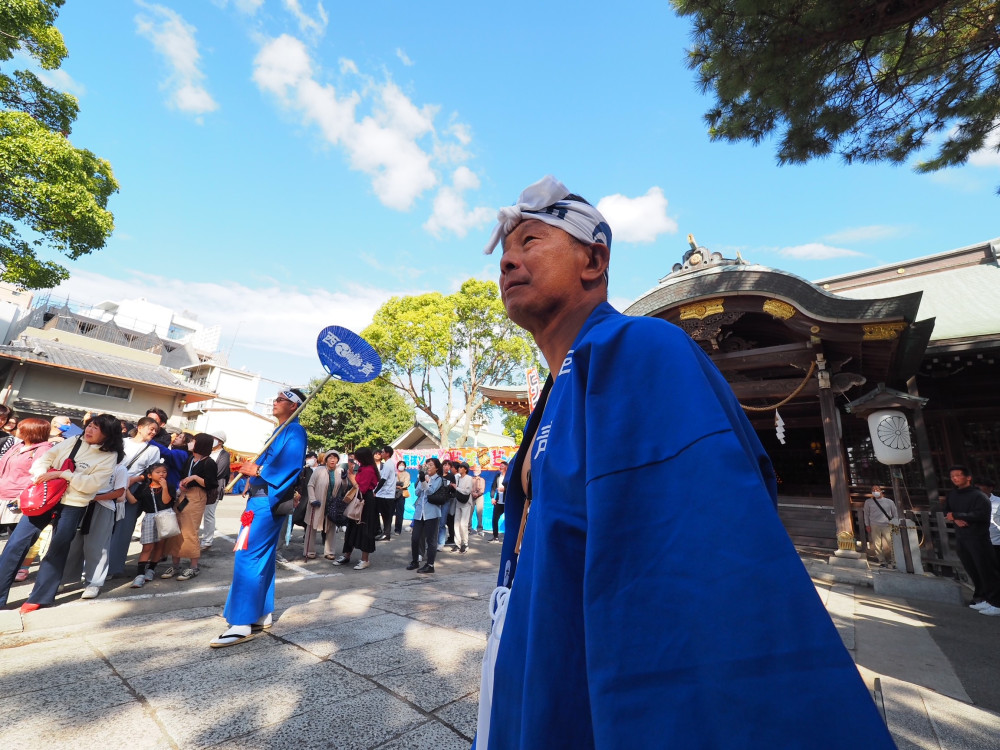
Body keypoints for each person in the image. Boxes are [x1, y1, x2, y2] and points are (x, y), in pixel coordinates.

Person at [473, 176, 896, 748]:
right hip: (539, 647)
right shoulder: (553, 393)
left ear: (594, 260)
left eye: (529, 241)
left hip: (596, 674)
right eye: (505, 252)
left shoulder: (642, 351)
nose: (509, 262)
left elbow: (691, 576)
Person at [210, 389, 307, 647]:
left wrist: (259, 470)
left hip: (266, 501)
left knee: (248, 554)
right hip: (261, 497)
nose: (275, 402)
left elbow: (289, 466)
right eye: (275, 398)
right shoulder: (281, 430)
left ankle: (241, 621)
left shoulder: (294, 431)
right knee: (260, 556)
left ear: (294, 405)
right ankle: (261, 612)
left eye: (281, 399)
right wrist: (251, 478)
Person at [0, 413, 123, 612]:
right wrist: (41, 473)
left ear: (108, 434)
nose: (90, 430)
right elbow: (46, 458)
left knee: (57, 549)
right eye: (90, 425)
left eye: (96, 428)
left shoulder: (110, 456)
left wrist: (61, 474)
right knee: (16, 543)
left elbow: (91, 485)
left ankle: (41, 596)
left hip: (74, 505)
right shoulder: (74, 441)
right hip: (46, 498)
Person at [107, 417, 163, 577]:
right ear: (140, 427)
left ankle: (113, 568)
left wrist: (134, 479)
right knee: (103, 526)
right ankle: (93, 566)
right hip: (111, 484)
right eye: (150, 429)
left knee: (124, 529)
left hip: (134, 488)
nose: (153, 432)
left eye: (155, 431)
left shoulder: (153, 450)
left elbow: (152, 472)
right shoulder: (122, 442)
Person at [161, 432, 217, 581]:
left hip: (197, 496)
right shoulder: (191, 458)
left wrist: (195, 478)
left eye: (194, 441)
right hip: (183, 495)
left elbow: (211, 483)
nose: (191, 443)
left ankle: (193, 566)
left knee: (190, 529)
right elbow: (182, 475)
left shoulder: (209, 462)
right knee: (176, 527)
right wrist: (182, 483)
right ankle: (175, 564)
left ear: (201, 444)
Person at [0, 419, 54, 573]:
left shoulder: (44, 450)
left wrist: (22, 493)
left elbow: (38, 475)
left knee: (15, 540)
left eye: (20, 428)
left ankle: (11, 570)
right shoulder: (18, 445)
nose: (17, 430)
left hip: (19, 498)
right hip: (3, 494)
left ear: (32, 431)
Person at [945, 466, 1000, 615]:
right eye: (952, 476)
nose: (955, 478)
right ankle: (985, 599)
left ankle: (997, 602)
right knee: (973, 570)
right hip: (962, 538)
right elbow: (947, 511)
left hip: (978, 538)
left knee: (987, 570)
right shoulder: (953, 495)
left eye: (958, 475)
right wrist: (955, 519)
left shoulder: (979, 496)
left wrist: (958, 515)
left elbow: (981, 515)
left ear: (968, 477)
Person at [333, 447, 379, 570]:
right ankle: (347, 555)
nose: (355, 459)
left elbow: (361, 488)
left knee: (365, 529)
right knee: (352, 528)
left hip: (365, 501)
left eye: (357, 457)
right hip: (359, 499)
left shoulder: (368, 470)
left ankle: (365, 559)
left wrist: (352, 477)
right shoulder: (364, 468)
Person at [128, 460, 172, 587]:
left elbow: (166, 501)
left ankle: (151, 569)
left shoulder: (169, 486)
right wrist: (125, 489)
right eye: (158, 472)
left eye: (164, 472)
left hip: (164, 517)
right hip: (149, 517)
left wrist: (164, 487)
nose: (162, 475)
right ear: (149, 475)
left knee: (160, 545)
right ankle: (140, 574)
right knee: (147, 547)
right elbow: (132, 501)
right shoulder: (144, 488)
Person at [407, 458, 442, 574]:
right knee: (415, 538)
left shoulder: (438, 479)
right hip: (419, 512)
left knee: (431, 540)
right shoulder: (422, 477)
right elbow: (417, 492)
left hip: (432, 513)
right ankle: (415, 560)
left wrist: (424, 482)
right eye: (427, 465)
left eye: (431, 465)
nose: (428, 467)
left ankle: (430, 564)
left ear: (437, 468)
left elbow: (430, 491)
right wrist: (421, 479)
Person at [304, 451, 341, 559]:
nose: (333, 460)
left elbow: (342, 487)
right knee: (312, 525)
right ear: (326, 459)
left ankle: (330, 552)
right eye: (330, 458)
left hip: (331, 503)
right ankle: (309, 551)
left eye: (335, 458)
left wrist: (344, 480)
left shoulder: (339, 471)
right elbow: (310, 485)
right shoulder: (319, 470)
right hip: (317, 502)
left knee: (331, 527)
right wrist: (312, 499)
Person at [200, 429, 231, 551]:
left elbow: (220, 472)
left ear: (220, 441)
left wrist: (203, 477)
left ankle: (207, 541)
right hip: (201, 485)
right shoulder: (207, 452)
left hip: (213, 489)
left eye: (214, 438)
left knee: (208, 514)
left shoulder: (224, 455)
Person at [864, 484, 898, 568]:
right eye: (873, 489)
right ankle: (882, 561)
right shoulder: (868, 502)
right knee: (877, 544)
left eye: (877, 489)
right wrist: (867, 525)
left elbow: (895, 513)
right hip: (874, 525)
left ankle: (895, 561)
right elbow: (866, 514)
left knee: (892, 543)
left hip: (887, 524)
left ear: (881, 491)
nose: (875, 491)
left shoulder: (889, 501)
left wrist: (895, 523)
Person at [977, 478, 1000, 569]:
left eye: (981, 487)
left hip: (997, 542)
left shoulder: (998, 501)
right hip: (980, 542)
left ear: (990, 488)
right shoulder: (973, 502)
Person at [375, 446, 397, 541]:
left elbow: (383, 479)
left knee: (386, 515)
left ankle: (386, 533)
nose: (381, 453)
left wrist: (375, 491)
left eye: (383, 452)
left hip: (386, 494)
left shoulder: (388, 464)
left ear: (387, 454)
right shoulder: (388, 463)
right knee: (385, 515)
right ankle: (385, 533)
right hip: (385, 494)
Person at [453, 462, 474, 553]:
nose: (459, 468)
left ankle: (465, 544)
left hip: (466, 503)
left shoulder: (469, 478)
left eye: (461, 467)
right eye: (459, 467)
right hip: (458, 502)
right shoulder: (457, 477)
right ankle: (457, 544)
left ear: (465, 469)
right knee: (456, 524)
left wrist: (456, 488)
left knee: (463, 524)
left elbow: (467, 491)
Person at [489, 460, 507, 543]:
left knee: (509, 520)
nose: (500, 467)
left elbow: (513, 488)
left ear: (506, 467)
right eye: (500, 466)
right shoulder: (497, 476)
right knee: (495, 519)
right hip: (498, 501)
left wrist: (505, 489)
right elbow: (493, 487)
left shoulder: (509, 477)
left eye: (502, 466)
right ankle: (495, 536)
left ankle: (509, 537)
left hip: (507, 502)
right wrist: (492, 498)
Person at [394, 459, 410, 536]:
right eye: (400, 465)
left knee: (399, 512)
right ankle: (386, 529)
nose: (401, 466)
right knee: (390, 511)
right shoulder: (394, 473)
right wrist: (398, 484)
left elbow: (406, 484)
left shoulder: (407, 474)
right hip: (392, 493)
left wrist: (400, 486)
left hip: (401, 494)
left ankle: (398, 529)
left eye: (403, 465)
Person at [470, 465, 487, 535]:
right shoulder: (470, 479)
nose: (475, 471)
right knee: (470, 513)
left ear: (480, 471)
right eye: (474, 470)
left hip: (479, 497)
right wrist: (472, 493)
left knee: (479, 513)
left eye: (477, 470)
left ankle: (480, 529)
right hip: (471, 496)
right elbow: (469, 488)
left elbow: (482, 490)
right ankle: (469, 528)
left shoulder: (482, 480)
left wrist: (477, 494)